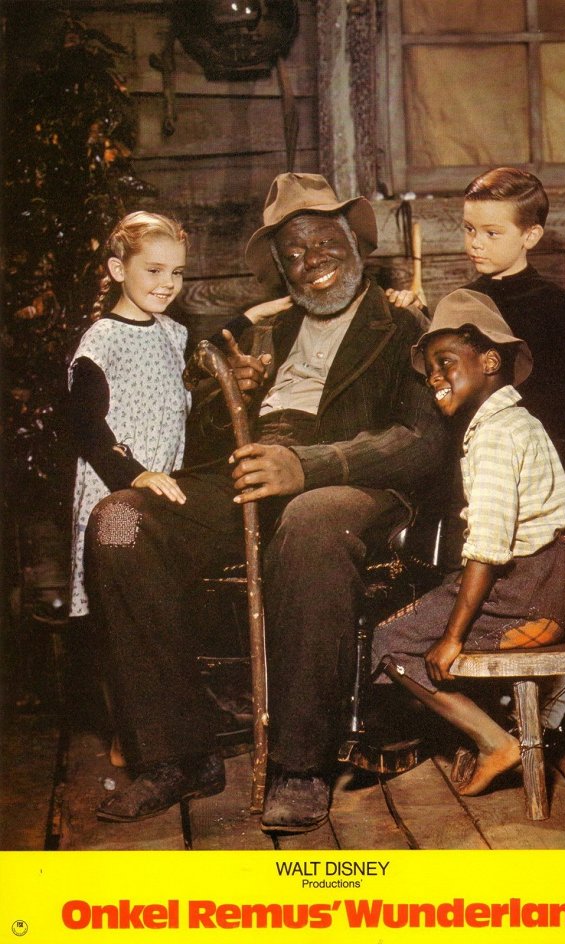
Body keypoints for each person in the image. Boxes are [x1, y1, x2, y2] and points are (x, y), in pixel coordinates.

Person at [84, 173, 449, 832]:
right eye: (293, 254)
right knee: (120, 522)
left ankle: (299, 764)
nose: (310, 263)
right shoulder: (263, 330)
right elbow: (190, 432)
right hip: (250, 473)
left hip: (349, 484)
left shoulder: (403, 323)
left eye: (322, 244)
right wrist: (231, 399)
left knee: (311, 520)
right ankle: (176, 754)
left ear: (354, 242)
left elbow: (420, 441)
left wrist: (310, 464)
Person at [371, 288, 565, 796]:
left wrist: (450, 637)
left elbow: (490, 546)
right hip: (561, 588)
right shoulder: (517, 421)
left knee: (390, 643)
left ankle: (494, 741)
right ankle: (503, 729)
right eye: (430, 371)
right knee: (429, 606)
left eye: (446, 362)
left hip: (529, 595)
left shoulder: (494, 435)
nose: (435, 379)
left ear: (490, 360)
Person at [68, 211, 191, 619]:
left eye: (176, 271)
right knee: (120, 606)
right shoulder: (103, 340)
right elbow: (85, 426)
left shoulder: (174, 334)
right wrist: (133, 474)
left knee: (154, 603)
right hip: (115, 494)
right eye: (154, 270)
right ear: (119, 269)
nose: (167, 283)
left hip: (159, 494)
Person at [462, 167, 565, 492]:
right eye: (469, 229)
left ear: (530, 236)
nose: (476, 243)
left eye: (491, 233)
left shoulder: (555, 304)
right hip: (471, 461)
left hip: (534, 466)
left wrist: (555, 481)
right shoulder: (464, 302)